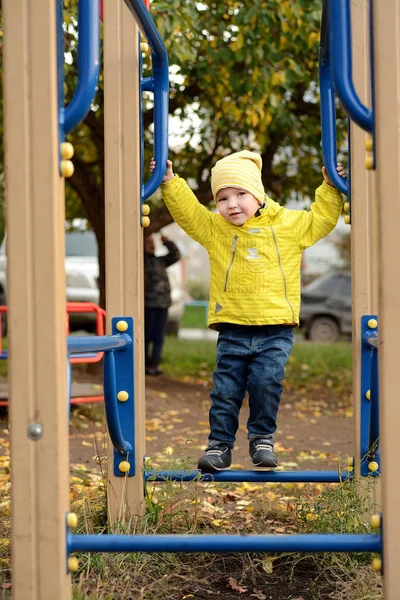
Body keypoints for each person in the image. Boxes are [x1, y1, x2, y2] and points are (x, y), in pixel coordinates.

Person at [150, 151, 346, 471]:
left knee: (266, 383)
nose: (232, 204)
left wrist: (331, 186)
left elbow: (321, 220)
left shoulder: (288, 225)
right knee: (225, 391)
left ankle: (262, 439)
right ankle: (219, 446)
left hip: (275, 329)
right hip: (233, 328)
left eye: (241, 194)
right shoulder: (215, 229)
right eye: (223, 198)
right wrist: (170, 182)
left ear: (258, 193)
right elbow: (189, 214)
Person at [144, 233, 181, 375]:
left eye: (152, 243)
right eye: (147, 242)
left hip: (162, 304)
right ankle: (145, 363)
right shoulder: (141, 261)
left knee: (159, 337)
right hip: (147, 304)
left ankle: (155, 364)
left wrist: (167, 241)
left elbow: (175, 255)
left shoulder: (160, 261)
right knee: (146, 336)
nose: (151, 245)